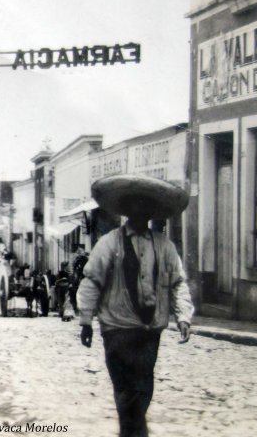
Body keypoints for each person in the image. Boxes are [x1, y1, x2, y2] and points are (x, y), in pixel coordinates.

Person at [77, 174, 194, 437]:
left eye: (146, 207)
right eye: (135, 206)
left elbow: (178, 282)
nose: (141, 212)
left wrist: (183, 316)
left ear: (152, 212)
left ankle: (130, 431)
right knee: (125, 387)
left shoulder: (164, 246)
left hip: (149, 329)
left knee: (143, 388)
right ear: (127, 210)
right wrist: (86, 320)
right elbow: (91, 281)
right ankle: (134, 433)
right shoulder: (108, 244)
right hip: (117, 328)